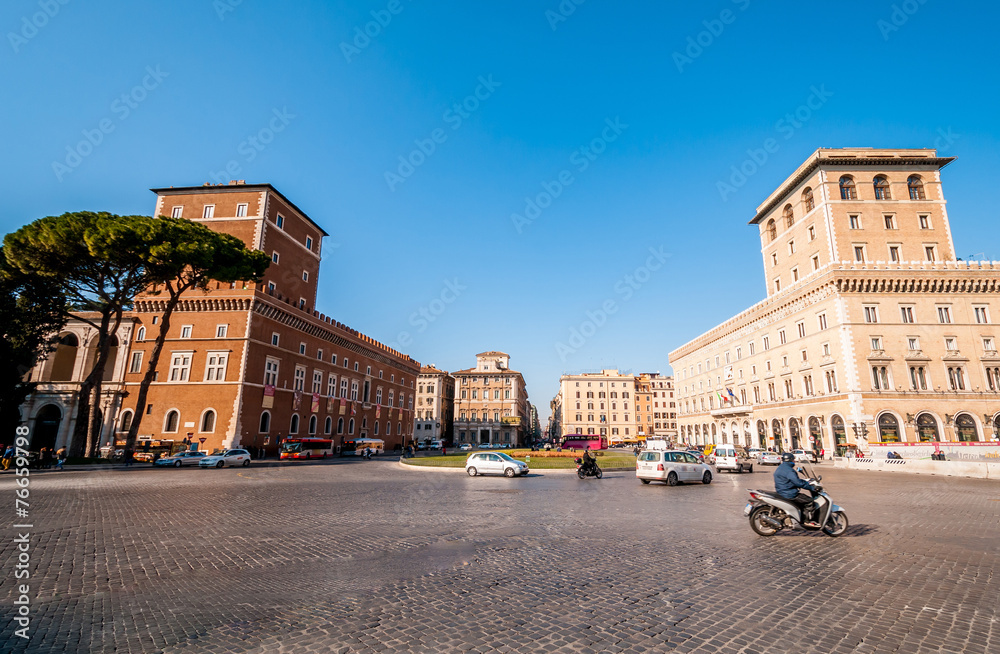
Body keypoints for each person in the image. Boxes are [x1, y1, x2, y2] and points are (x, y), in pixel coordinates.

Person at [773, 452, 820, 528]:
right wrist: (812, 487)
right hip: (789, 493)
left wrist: (804, 481)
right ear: (791, 460)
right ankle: (806, 521)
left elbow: (792, 480)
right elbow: (798, 482)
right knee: (809, 501)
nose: (794, 461)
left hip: (782, 491)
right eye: (793, 459)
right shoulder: (789, 470)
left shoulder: (781, 467)